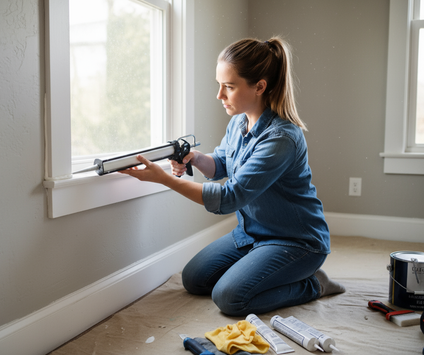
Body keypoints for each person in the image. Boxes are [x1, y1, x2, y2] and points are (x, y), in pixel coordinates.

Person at [119, 37, 345, 316]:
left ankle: (313, 285)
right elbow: (223, 163)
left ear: (259, 86)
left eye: (229, 86)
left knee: (230, 298)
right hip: (251, 232)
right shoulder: (239, 121)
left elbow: (230, 198)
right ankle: (260, 263)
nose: (219, 95)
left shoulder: (281, 139)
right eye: (219, 84)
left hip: (295, 241)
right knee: (194, 279)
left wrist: (164, 179)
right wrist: (195, 158)